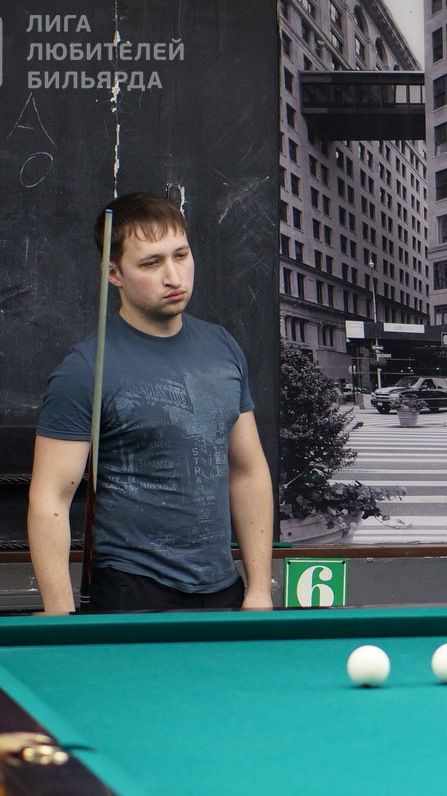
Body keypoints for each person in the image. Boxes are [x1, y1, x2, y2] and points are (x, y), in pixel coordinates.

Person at [28, 193, 274, 614]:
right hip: (133, 592)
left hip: (224, 589)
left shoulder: (222, 346)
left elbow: (248, 472)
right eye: (150, 263)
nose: (173, 276)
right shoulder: (85, 369)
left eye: (181, 255)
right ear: (114, 273)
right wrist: (60, 617)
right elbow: (50, 498)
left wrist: (259, 590)